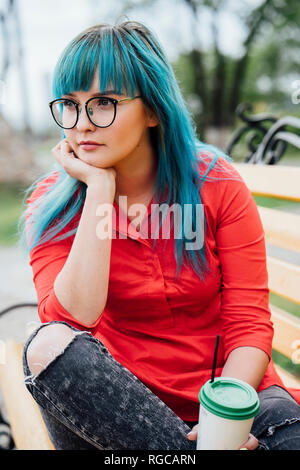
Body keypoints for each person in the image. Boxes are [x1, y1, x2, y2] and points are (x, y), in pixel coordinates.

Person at [19, 19, 300, 451]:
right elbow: (72, 323)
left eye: (104, 103)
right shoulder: (51, 204)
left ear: (152, 109)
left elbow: (248, 325)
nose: (82, 124)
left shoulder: (214, 184)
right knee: (47, 347)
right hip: (120, 406)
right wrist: (98, 189)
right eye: (71, 105)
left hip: (232, 392)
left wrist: (222, 423)